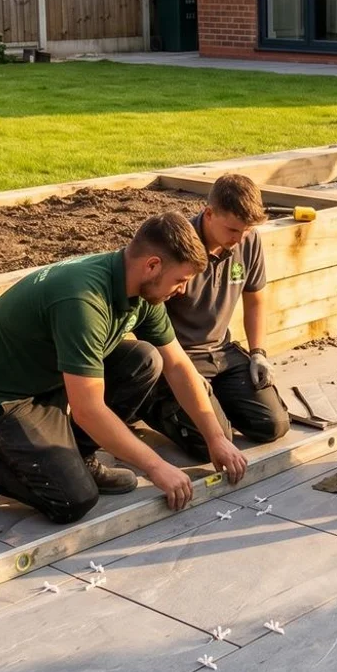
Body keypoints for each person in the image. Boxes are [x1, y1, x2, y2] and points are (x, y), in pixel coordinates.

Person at [0, 211, 248, 522]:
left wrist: (215, 437)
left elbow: (177, 365)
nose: (183, 289)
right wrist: (155, 465)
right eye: (181, 280)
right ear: (152, 265)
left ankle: (79, 455)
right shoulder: (83, 302)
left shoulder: (137, 286)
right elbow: (88, 410)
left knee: (145, 359)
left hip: (46, 376)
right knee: (70, 500)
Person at [138, 174, 291, 459]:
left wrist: (258, 352)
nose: (239, 239)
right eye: (233, 230)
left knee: (273, 425)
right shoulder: (178, 248)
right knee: (208, 444)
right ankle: (151, 403)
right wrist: (185, 377)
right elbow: (149, 321)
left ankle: (213, 401)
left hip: (222, 352)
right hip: (179, 356)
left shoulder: (248, 240)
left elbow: (255, 298)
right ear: (209, 214)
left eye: (245, 231)